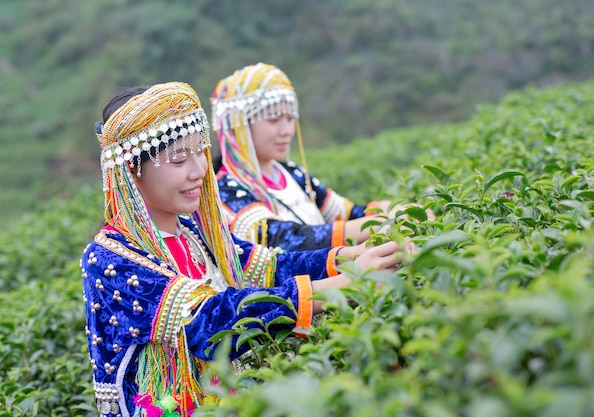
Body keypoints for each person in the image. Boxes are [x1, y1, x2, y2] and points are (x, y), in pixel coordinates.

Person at [81, 82, 411, 417]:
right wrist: (346, 284)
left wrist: (350, 257)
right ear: (132, 171)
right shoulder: (110, 257)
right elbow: (208, 321)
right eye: (179, 159)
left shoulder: (193, 232)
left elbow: (269, 267)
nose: (199, 170)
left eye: (200, 152)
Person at [211, 62, 432, 251]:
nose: (287, 130)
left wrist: (397, 210)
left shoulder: (292, 174)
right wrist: (386, 224)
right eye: (274, 120)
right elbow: (285, 239)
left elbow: (346, 214)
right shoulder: (226, 190)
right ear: (239, 125)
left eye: (290, 119)